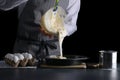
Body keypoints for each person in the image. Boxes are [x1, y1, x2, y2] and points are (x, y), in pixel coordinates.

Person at [0, 0, 80, 60]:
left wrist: (57, 30)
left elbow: (71, 24)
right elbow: (3, 4)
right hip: (24, 52)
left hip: (54, 52)